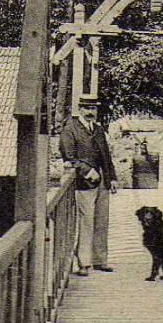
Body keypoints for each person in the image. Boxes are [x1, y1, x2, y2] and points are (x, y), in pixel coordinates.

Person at [59, 97, 117, 275]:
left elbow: (106, 156)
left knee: (102, 221)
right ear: (80, 109)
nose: (90, 112)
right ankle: (84, 263)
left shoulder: (98, 129)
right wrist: (86, 170)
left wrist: (112, 177)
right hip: (84, 183)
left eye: (93, 108)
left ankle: (100, 259)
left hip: (103, 183)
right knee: (86, 222)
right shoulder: (70, 129)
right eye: (87, 108)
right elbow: (68, 157)